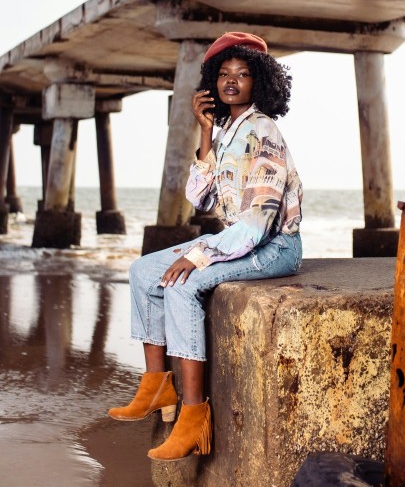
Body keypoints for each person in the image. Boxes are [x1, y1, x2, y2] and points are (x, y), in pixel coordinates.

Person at [107, 31, 303, 462]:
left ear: (261, 82)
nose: (232, 80)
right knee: (143, 271)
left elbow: (257, 223)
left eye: (244, 73)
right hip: (238, 239)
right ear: (214, 80)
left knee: (181, 283)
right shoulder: (228, 130)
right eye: (224, 73)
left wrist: (198, 255)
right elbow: (201, 199)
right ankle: (157, 385)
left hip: (274, 246)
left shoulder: (263, 131)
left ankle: (194, 418)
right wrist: (205, 131)